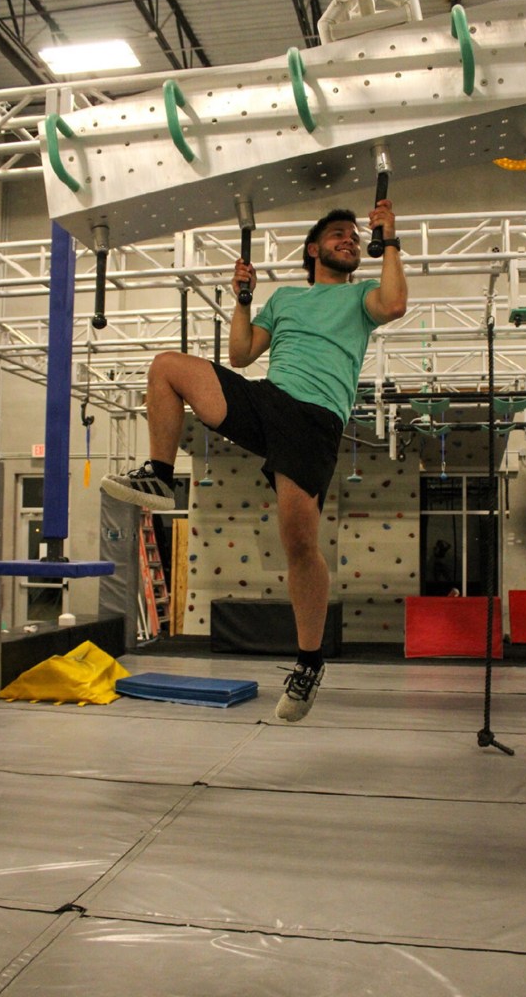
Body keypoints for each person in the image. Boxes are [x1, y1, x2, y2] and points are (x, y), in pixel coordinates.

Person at [101, 199, 407, 721]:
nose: (349, 241)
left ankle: (308, 662)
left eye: (355, 237)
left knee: (299, 543)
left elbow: (396, 304)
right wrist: (243, 299)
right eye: (338, 234)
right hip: (269, 400)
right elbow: (241, 354)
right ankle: (158, 475)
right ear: (313, 249)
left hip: (314, 420)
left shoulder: (362, 297)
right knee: (168, 367)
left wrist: (391, 240)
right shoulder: (286, 298)